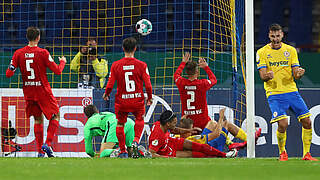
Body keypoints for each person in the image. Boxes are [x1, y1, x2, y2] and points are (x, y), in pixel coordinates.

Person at [256, 23, 318, 161]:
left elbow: (296, 73)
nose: (276, 39)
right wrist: (268, 76)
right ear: (269, 35)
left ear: (282, 35)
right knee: (283, 123)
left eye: (278, 36)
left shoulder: (291, 51)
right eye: (273, 36)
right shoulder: (262, 52)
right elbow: (262, 76)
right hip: (274, 93)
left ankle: (307, 154)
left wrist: (300, 73)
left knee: (307, 121)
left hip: (291, 91)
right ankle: (282, 152)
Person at [6, 26, 66, 157]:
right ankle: (47, 144)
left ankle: (40, 152)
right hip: (42, 91)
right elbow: (58, 71)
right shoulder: (43, 52)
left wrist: (13, 67)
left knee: (38, 120)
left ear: (27, 37)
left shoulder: (18, 53)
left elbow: (8, 74)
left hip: (28, 92)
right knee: (55, 115)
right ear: (38, 38)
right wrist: (62, 62)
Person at [174, 52, 248, 143]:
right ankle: (242, 141)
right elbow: (214, 79)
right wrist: (206, 67)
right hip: (203, 123)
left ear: (186, 72)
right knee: (221, 125)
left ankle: (231, 144)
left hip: (188, 124)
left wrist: (183, 62)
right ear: (197, 71)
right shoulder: (202, 84)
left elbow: (176, 75)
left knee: (217, 125)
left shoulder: (181, 83)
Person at [103, 37, 153, 158]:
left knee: (120, 124)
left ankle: (123, 151)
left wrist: (106, 93)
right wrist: (150, 97)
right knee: (140, 120)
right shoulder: (142, 65)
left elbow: (110, 84)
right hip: (137, 100)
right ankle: (135, 141)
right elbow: (148, 84)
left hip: (122, 101)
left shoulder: (115, 65)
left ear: (123, 48)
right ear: (135, 48)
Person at [148, 110, 238, 158]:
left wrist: (189, 130)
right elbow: (151, 153)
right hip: (168, 151)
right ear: (168, 123)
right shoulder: (157, 136)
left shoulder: (160, 124)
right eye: (174, 123)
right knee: (200, 152)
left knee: (201, 147)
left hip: (170, 142)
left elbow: (174, 129)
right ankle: (226, 152)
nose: (176, 125)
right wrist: (221, 117)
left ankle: (226, 151)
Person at [178, 108, 261, 152]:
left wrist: (182, 120)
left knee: (211, 123)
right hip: (212, 148)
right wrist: (221, 118)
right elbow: (216, 134)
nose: (193, 131)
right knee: (226, 124)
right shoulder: (192, 139)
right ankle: (249, 139)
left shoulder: (177, 137)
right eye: (191, 130)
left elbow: (178, 131)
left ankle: (230, 143)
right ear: (187, 132)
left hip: (204, 145)